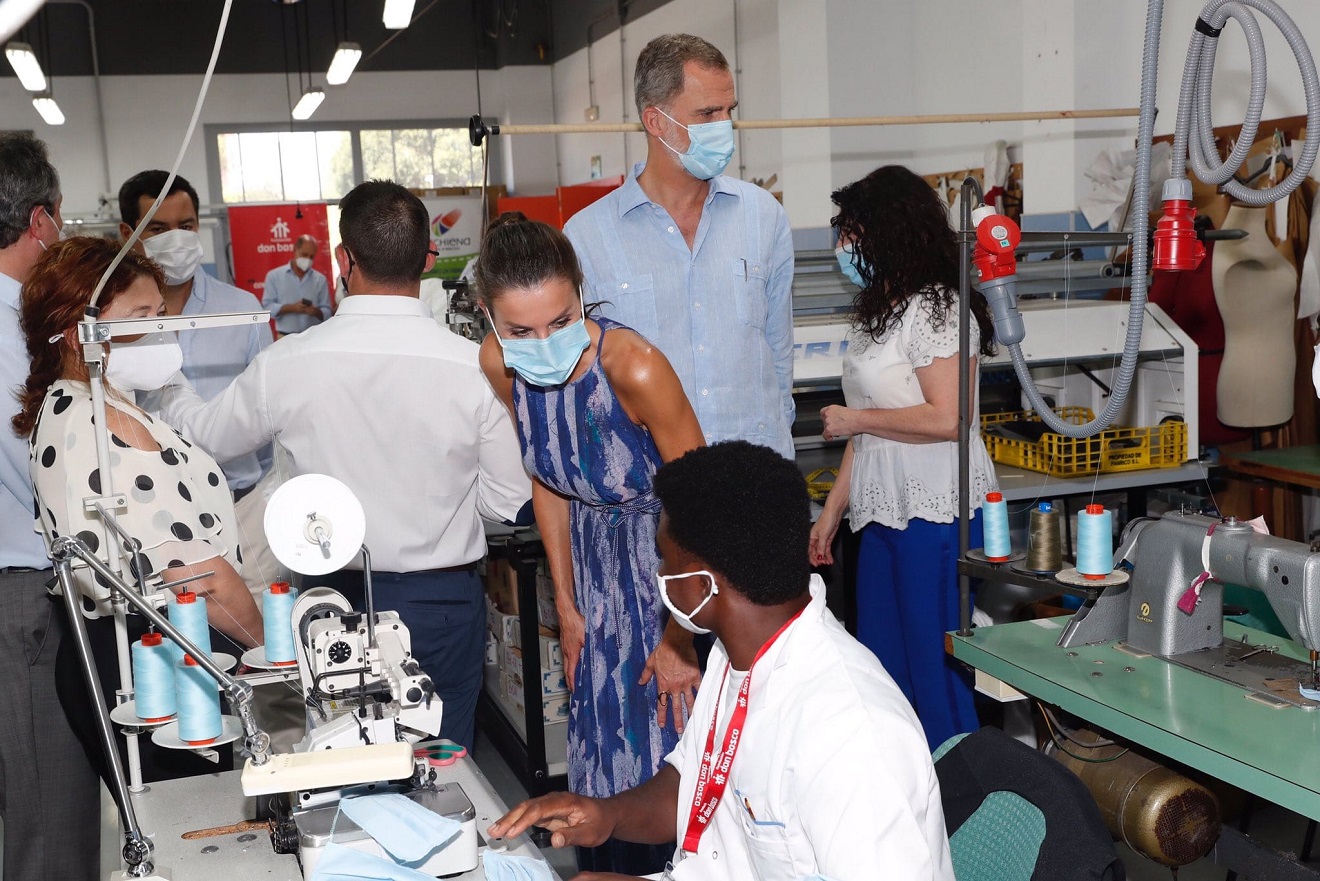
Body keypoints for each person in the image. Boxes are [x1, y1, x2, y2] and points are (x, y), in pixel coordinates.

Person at [158, 180, 533, 750]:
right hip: (440, 604)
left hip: (331, 605)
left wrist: (167, 379)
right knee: (443, 768)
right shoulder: (476, 367)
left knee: (341, 764)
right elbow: (509, 502)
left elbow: (206, 437)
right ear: (427, 259)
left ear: (342, 260)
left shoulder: (288, 363)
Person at [489, 442, 954, 881]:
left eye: (664, 559)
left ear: (703, 584)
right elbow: (695, 784)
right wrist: (607, 814)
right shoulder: (738, 653)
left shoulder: (851, 734)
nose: (659, 574)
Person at [476, 213, 705, 876]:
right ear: (490, 318)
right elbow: (550, 478)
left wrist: (679, 637)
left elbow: (702, 507)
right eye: (521, 331)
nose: (543, 343)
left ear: (581, 292)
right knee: (599, 761)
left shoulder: (634, 367)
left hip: (668, 575)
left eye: (560, 319)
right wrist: (568, 606)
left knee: (667, 760)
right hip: (592, 584)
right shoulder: (499, 364)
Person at [14, 236, 264, 784]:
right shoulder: (107, 425)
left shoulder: (71, 405)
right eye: (141, 317)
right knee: (198, 817)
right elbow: (196, 579)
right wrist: (269, 650)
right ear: (79, 334)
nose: (161, 330)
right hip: (155, 663)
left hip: (123, 653)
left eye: (160, 313)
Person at [808, 165, 998, 751]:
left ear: (890, 229)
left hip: (936, 515)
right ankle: (906, 787)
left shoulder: (939, 308)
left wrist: (855, 420)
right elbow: (868, 426)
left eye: (852, 231)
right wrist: (833, 511)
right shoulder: (877, 312)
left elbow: (950, 418)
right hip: (882, 513)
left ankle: (964, 789)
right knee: (882, 670)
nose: (843, 245)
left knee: (935, 671)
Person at [564, 33, 796, 459]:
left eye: (729, 111)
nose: (724, 126)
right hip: (652, 481)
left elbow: (778, 352)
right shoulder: (587, 237)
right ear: (655, 122)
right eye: (707, 113)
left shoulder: (764, 216)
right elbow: (583, 380)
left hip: (757, 471)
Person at [0, 131, 101, 881]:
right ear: (39, 221)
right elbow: (45, 469)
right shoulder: (15, 332)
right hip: (27, 599)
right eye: (59, 216)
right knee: (51, 825)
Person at [118, 170, 279, 599]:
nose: (176, 238)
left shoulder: (240, 309)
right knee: (171, 627)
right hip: (153, 515)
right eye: (158, 229)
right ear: (128, 234)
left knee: (257, 627)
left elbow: (268, 412)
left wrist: (264, 496)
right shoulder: (110, 320)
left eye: (186, 226)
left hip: (242, 506)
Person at [264, 234, 331, 336]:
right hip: (285, 337)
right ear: (295, 250)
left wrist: (316, 311)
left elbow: (328, 311)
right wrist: (291, 308)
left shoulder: (320, 279)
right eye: (304, 254)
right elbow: (267, 308)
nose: (308, 259)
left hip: (314, 337)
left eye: (311, 257)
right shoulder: (274, 276)